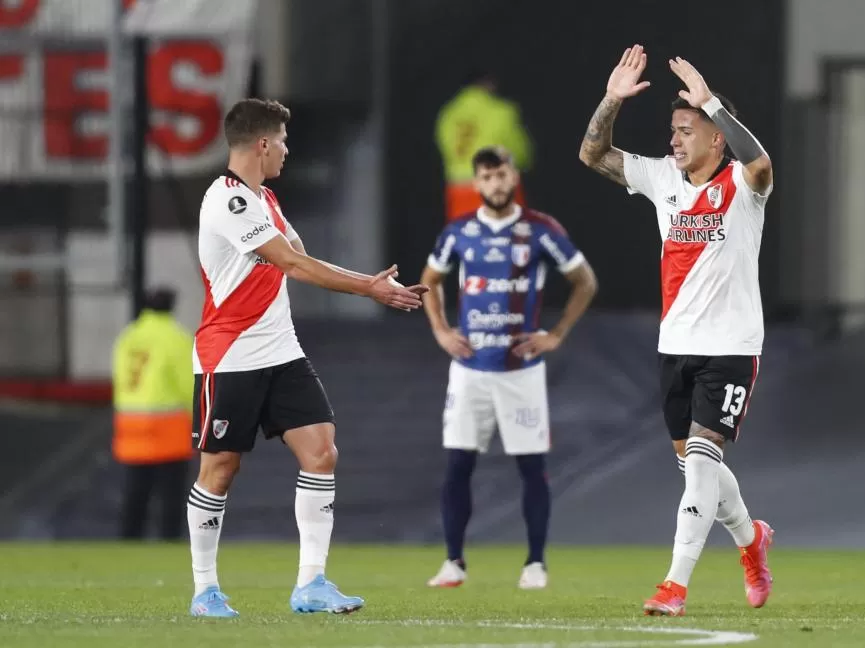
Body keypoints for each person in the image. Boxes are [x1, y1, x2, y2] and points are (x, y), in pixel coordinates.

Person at [187, 98, 427, 618]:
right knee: (221, 468)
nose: (288, 151)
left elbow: (301, 255)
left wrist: (368, 282)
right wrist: (369, 288)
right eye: (284, 141)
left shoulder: (265, 199)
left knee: (322, 452)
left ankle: (311, 585)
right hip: (229, 355)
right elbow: (292, 264)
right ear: (263, 144)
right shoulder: (228, 202)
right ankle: (205, 590)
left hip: (281, 350)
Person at [578, 45, 775, 616]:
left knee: (703, 463)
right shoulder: (662, 178)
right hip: (676, 347)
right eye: (673, 130)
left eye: (687, 130)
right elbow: (592, 154)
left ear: (717, 136)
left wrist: (710, 99)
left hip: (732, 348)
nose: (674, 139)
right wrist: (611, 100)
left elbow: (762, 163)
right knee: (698, 471)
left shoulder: (743, 184)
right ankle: (751, 541)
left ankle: (674, 584)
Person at [420, 145, 598, 590]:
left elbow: (585, 281)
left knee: (530, 468)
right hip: (471, 368)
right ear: (476, 182)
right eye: (487, 177)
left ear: (513, 176)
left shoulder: (540, 230)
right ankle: (453, 562)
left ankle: (535, 563)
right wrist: (442, 331)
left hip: (521, 370)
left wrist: (555, 334)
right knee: (458, 465)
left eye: (502, 175)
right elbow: (429, 280)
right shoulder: (458, 232)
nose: (496, 184)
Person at [111, 287, 193, 541]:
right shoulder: (176, 337)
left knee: (135, 493)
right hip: (168, 425)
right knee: (171, 495)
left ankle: (128, 543)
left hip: (130, 423)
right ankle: (168, 543)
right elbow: (188, 383)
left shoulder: (128, 336)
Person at [435, 69, 533, 221]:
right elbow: (521, 153)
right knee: (506, 240)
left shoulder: (448, 114)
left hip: (459, 191)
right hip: (497, 189)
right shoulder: (500, 111)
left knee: (465, 240)